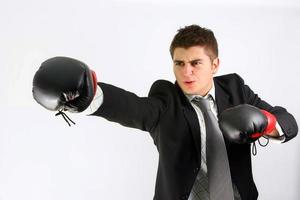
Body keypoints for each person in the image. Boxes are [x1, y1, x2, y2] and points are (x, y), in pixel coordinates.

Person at [32, 25, 298, 200]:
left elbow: (288, 122)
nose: (186, 71)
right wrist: (91, 96)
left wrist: (268, 122)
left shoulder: (235, 88)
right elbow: (134, 108)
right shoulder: (166, 99)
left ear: (215, 64)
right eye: (179, 63)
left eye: (196, 63)